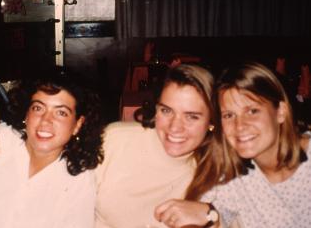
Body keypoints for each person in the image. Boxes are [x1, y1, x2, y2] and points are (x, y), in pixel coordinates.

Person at [154, 62, 311, 228]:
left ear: (281, 112)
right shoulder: (234, 175)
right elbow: (214, 213)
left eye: (252, 111)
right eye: (229, 115)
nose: (240, 126)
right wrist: (207, 213)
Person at [0, 69, 104, 228]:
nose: (46, 121)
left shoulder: (78, 179)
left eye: (61, 112)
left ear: (78, 124)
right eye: (38, 108)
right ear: (26, 114)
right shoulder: (0, 139)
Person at [95, 64, 223, 228]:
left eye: (191, 117)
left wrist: (212, 216)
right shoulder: (116, 140)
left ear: (211, 122)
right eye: (166, 111)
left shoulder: (215, 171)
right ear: (156, 110)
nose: (175, 127)